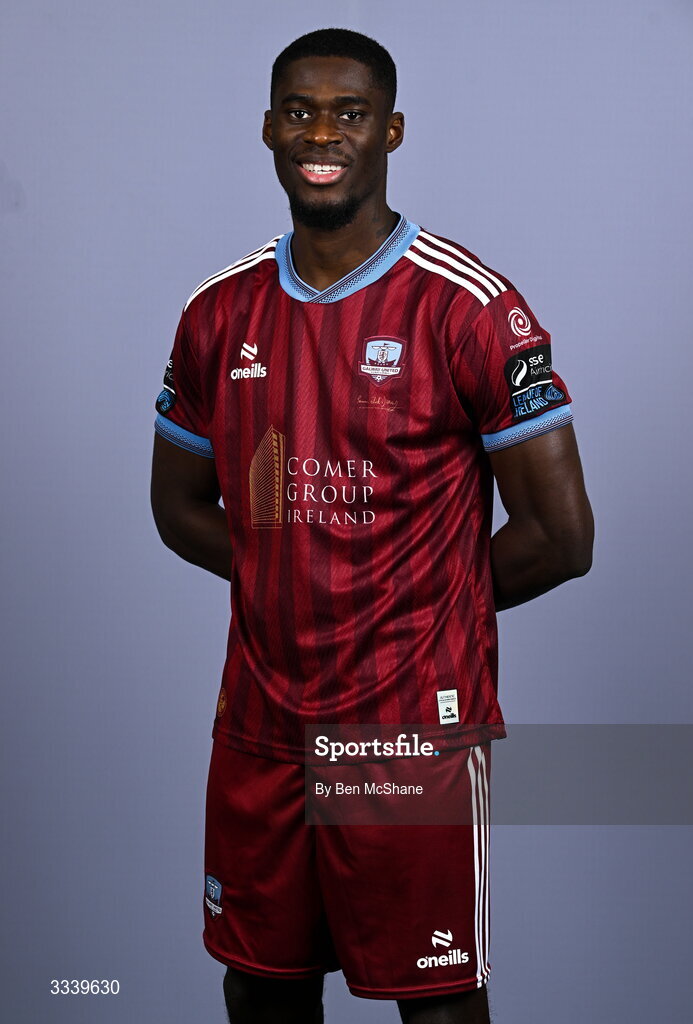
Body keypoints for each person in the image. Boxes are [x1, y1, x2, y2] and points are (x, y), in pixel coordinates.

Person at [151, 27, 593, 1024]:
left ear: (388, 130)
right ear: (266, 129)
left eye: (348, 113)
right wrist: (291, 569)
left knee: (432, 1003)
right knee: (259, 987)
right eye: (299, 111)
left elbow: (561, 537)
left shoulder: (465, 307)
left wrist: (407, 606)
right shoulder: (217, 313)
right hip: (261, 727)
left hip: (402, 738)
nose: (321, 133)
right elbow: (178, 507)